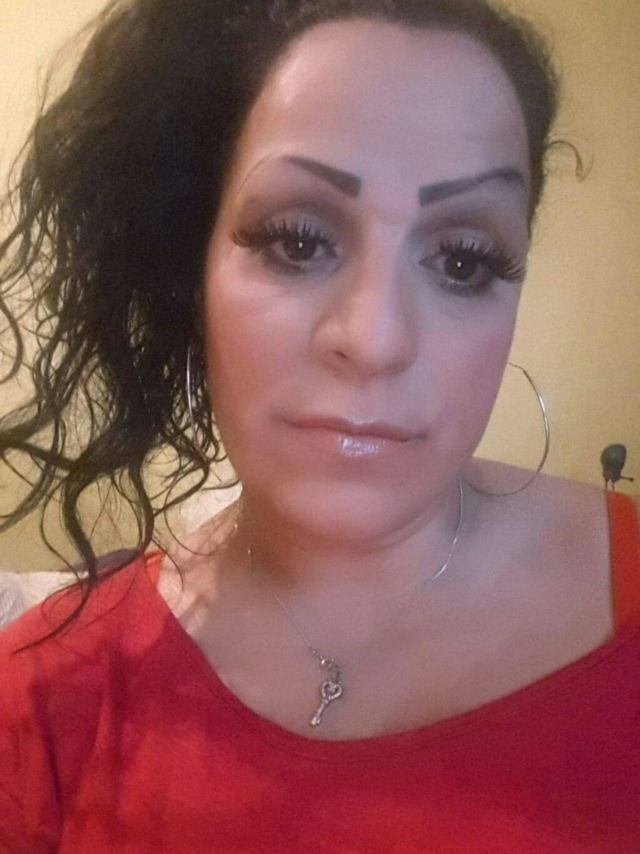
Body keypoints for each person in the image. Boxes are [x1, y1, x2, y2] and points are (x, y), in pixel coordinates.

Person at [0, 0, 639, 851]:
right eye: (298, 242)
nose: (376, 339)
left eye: (463, 260)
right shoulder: (44, 699)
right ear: (189, 271)